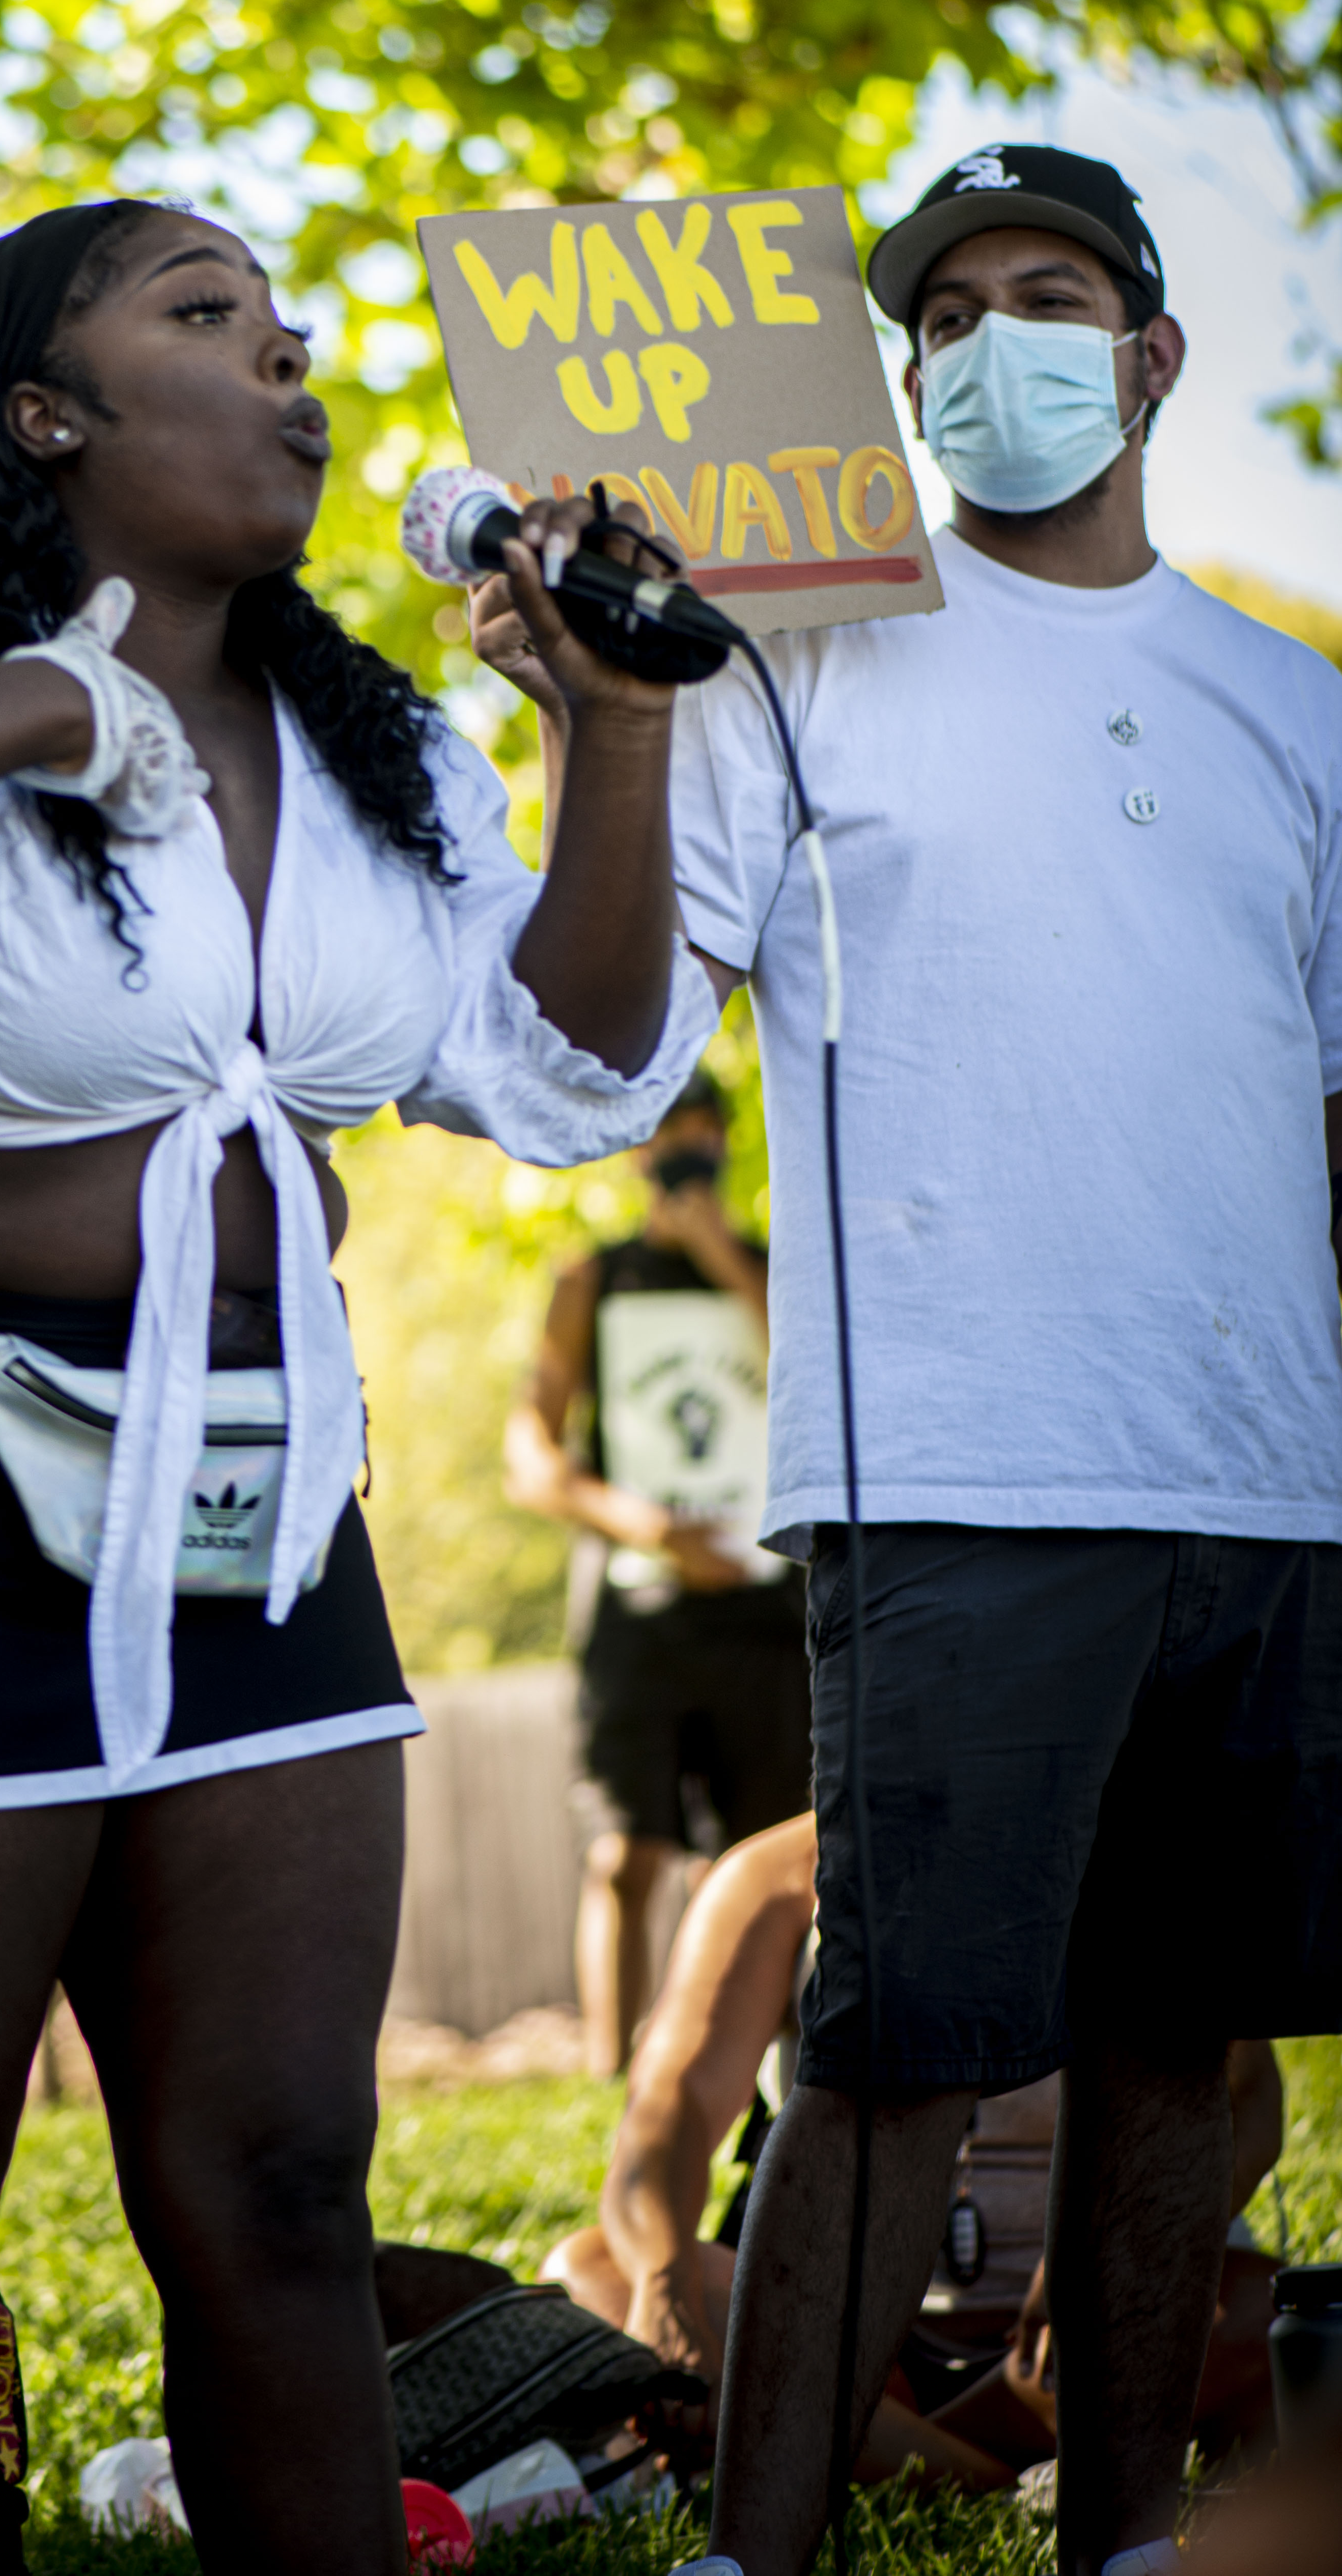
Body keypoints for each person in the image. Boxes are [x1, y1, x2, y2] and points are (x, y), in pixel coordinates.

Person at [0, 197, 716, 2569]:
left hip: (254, 1495)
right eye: (208, 317)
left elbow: (572, 1067)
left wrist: (613, 733)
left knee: (279, 2187)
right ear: (41, 410)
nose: (288, 367)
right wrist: (41, 711)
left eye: (292, 336)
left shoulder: (365, 737)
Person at [657, 143, 1342, 2576]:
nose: (984, 346)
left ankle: (1125, 2539)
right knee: (889, 2051)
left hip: (1259, 1481)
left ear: (1147, 354)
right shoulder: (782, 656)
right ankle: (749, 2552)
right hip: (954, 1459)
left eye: (1040, 297)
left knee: (1179, 2053)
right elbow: (619, 1020)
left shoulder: (1292, 702)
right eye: (938, 317)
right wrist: (598, 697)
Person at [542, 1814, 1282, 2487]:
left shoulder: (1146, 1861)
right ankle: (986, 2481)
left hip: (1073, 2349)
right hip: (836, 2343)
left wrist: (1097, 2257)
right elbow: (666, 2117)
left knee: (1266, 2309)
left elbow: (1248, 2106)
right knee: (590, 2273)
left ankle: (868, 2457)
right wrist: (666, 2292)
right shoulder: (776, 1875)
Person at [505, 1072, 806, 2071]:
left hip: (766, 1613)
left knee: (757, 1861)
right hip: (636, 1614)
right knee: (625, 1853)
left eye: (703, 1132)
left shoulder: (777, 1271)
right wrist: (646, 1525)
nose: (686, 1151)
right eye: (667, 1133)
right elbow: (530, 1455)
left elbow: (814, 1381)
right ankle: (610, 2073)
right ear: (634, 1147)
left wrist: (717, 1251)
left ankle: (745, 2069)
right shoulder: (591, 1279)